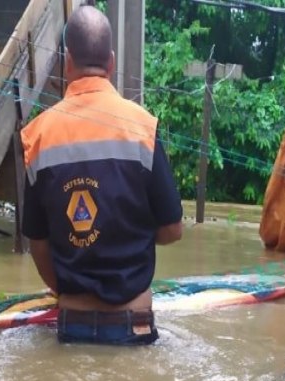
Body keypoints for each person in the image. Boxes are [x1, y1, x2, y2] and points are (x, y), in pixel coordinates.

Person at [20, 5, 183, 346]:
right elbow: (172, 230)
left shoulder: (37, 136)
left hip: (71, 325)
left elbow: (38, 245)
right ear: (111, 62)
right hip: (134, 323)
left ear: (67, 62)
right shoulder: (144, 128)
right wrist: (126, 233)